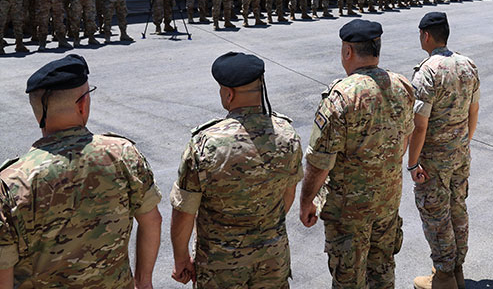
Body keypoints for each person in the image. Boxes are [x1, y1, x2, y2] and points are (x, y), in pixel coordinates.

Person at [0, 55, 162, 287]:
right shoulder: (123, 154)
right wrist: (143, 281)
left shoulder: (11, 182)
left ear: (38, 113)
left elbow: (3, 267)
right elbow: (152, 220)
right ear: (82, 104)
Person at [170, 52, 303, 288]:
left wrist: (181, 259)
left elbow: (184, 211)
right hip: (273, 259)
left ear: (228, 94)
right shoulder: (287, 135)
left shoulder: (205, 143)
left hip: (220, 267)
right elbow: (288, 194)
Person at [299, 20, 415, 289]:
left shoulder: (341, 97)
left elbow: (319, 162)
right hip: (387, 203)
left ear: (348, 51)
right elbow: (404, 141)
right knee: (382, 271)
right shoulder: (402, 86)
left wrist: (306, 201)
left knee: (349, 279)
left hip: (349, 214)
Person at [408, 13, 480, 289]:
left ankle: (444, 277)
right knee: (458, 209)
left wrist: (413, 162)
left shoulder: (427, 71)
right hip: (460, 153)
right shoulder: (467, 65)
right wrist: (463, 143)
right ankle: (456, 270)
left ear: (426, 35)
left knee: (436, 216)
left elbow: (420, 125)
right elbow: (474, 111)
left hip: (434, 160)